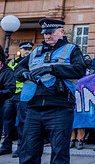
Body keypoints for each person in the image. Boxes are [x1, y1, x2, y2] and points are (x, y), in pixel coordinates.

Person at [14, 18, 85, 163]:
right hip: (33, 108)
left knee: (59, 154)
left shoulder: (72, 49)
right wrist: (23, 73)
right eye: (45, 33)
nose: (47, 36)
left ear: (61, 32)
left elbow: (79, 69)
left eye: (51, 33)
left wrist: (52, 68)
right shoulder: (35, 52)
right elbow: (18, 68)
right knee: (28, 152)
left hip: (59, 108)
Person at [0, 41, 33, 157]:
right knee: (7, 121)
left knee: (22, 122)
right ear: (21, 50)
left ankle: (21, 147)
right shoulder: (12, 62)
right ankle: (6, 146)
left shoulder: (32, 62)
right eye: (25, 49)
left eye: (29, 49)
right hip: (11, 95)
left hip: (24, 95)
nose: (27, 51)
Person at [70, 54, 93, 150]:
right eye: (85, 59)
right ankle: (72, 139)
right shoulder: (76, 69)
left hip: (84, 98)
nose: (87, 60)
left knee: (81, 119)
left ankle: (80, 140)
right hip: (74, 96)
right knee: (72, 118)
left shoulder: (91, 72)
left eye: (89, 59)